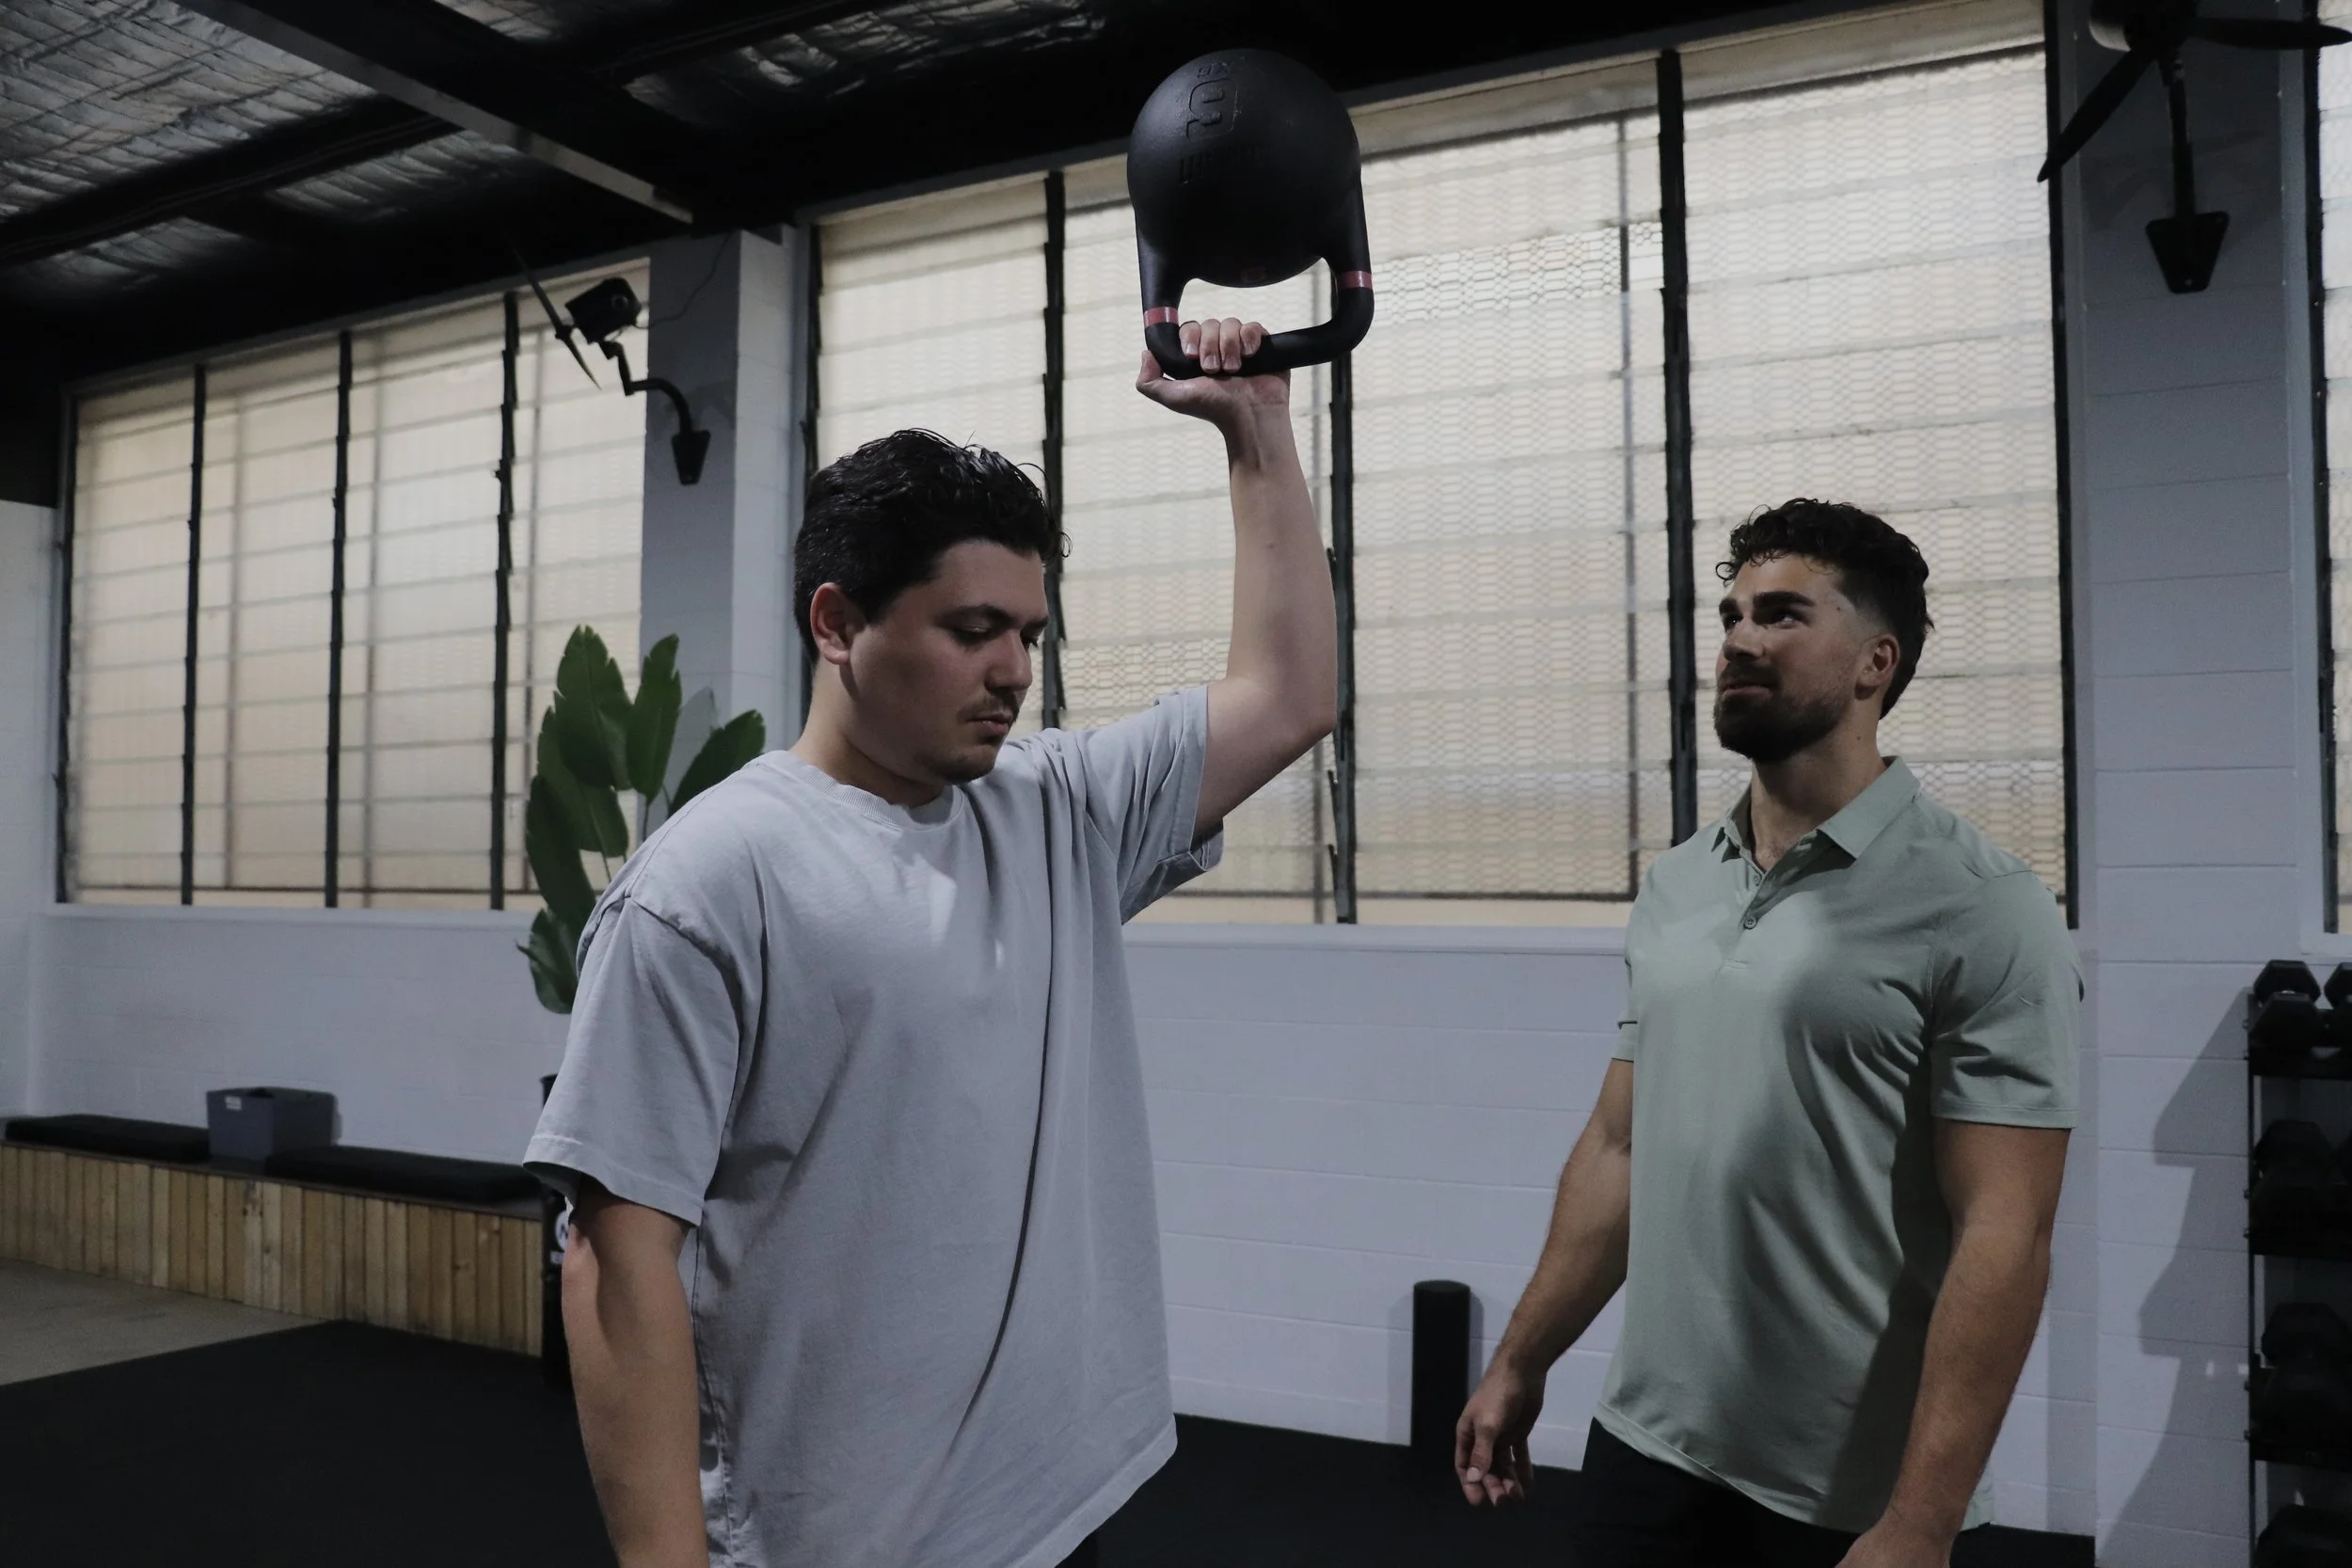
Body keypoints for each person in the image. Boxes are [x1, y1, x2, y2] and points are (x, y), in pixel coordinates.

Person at [524, 317, 1332, 1568]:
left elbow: (1288, 695)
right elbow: (616, 1265)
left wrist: (1260, 429)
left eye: (1031, 634)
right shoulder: (706, 884)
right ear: (839, 622)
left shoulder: (1056, 806)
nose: (1013, 671)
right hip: (842, 1536)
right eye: (971, 630)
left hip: (1053, 1509)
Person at [1454, 499, 2078, 1567]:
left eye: (1783, 614)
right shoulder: (1679, 882)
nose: (1740, 638)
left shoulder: (1980, 903)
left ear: (1876, 661)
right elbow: (1619, 1146)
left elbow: (2004, 1233)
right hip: (1646, 1441)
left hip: (1843, 1491)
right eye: (1733, 611)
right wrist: (1521, 1356)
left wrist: (1921, 1519)